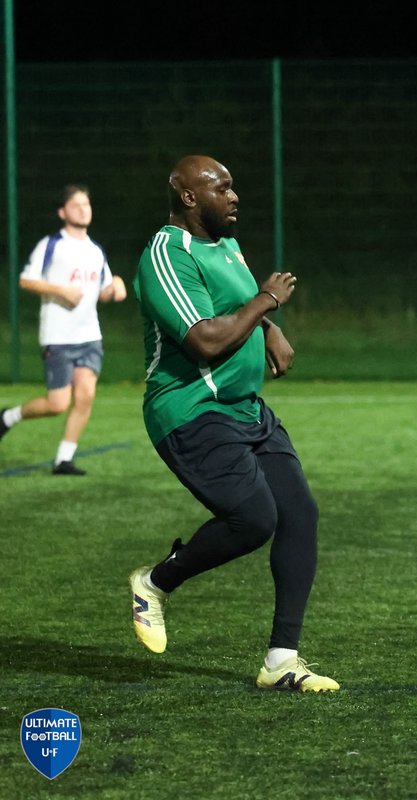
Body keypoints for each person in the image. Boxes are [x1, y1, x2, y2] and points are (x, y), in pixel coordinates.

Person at [127, 155, 338, 692]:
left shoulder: (226, 246)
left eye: (233, 186)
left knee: (300, 514)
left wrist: (267, 326)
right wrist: (268, 299)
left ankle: (281, 662)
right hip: (192, 410)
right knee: (254, 518)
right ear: (189, 197)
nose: (234, 195)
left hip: (245, 408)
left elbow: (236, 305)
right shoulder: (166, 253)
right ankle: (154, 582)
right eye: (221, 187)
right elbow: (203, 338)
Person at [0, 185, 126, 474]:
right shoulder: (51, 244)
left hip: (89, 336)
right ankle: (8, 417)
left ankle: (63, 459)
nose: (84, 209)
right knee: (58, 403)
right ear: (63, 212)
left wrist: (115, 288)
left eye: (87, 204)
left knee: (85, 396)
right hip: (58, 336)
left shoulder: (96, 250)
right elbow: (26, 280)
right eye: (77, 205)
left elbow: (103, 292)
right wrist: (60, 291)